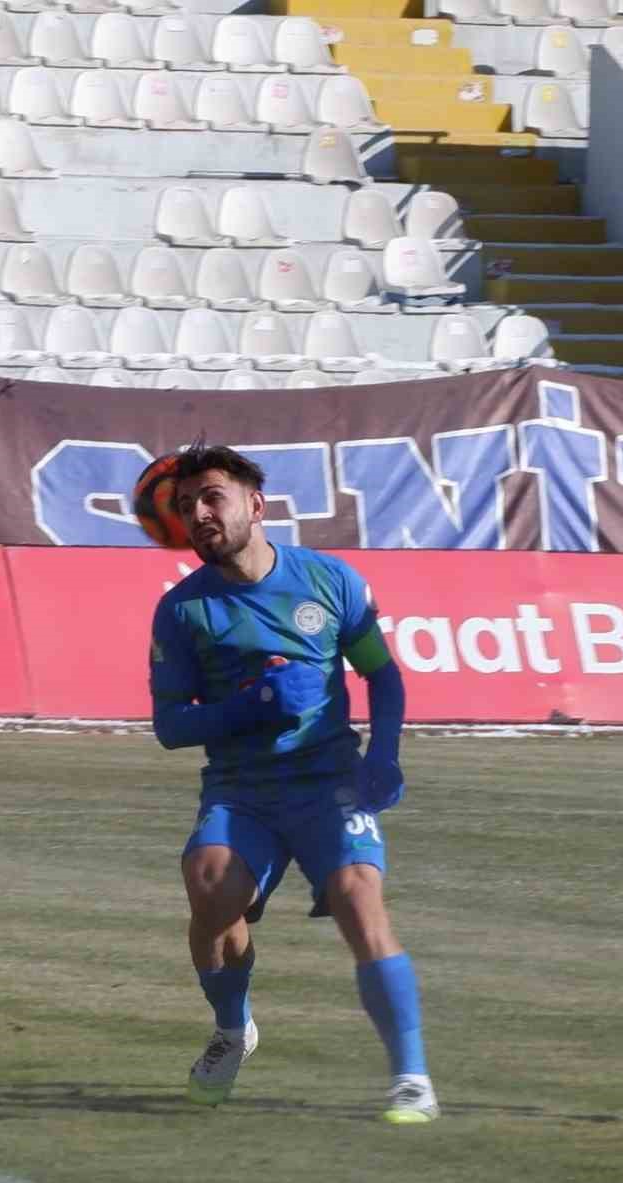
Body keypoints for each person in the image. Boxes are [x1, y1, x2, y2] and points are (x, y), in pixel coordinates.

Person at [148, 442, 438, 1123]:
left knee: (357, 897)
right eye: (187, 506)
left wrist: (385, 755)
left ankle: (412, 1077)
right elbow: (169, 725)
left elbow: (381, 673)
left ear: (256, 503)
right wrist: (248, 709)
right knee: (211, 894)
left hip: (327, 779)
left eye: (211, 497)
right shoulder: (184, 611)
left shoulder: (331, 581)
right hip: (241, 787)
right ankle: (232, 1030)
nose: (199, 514)